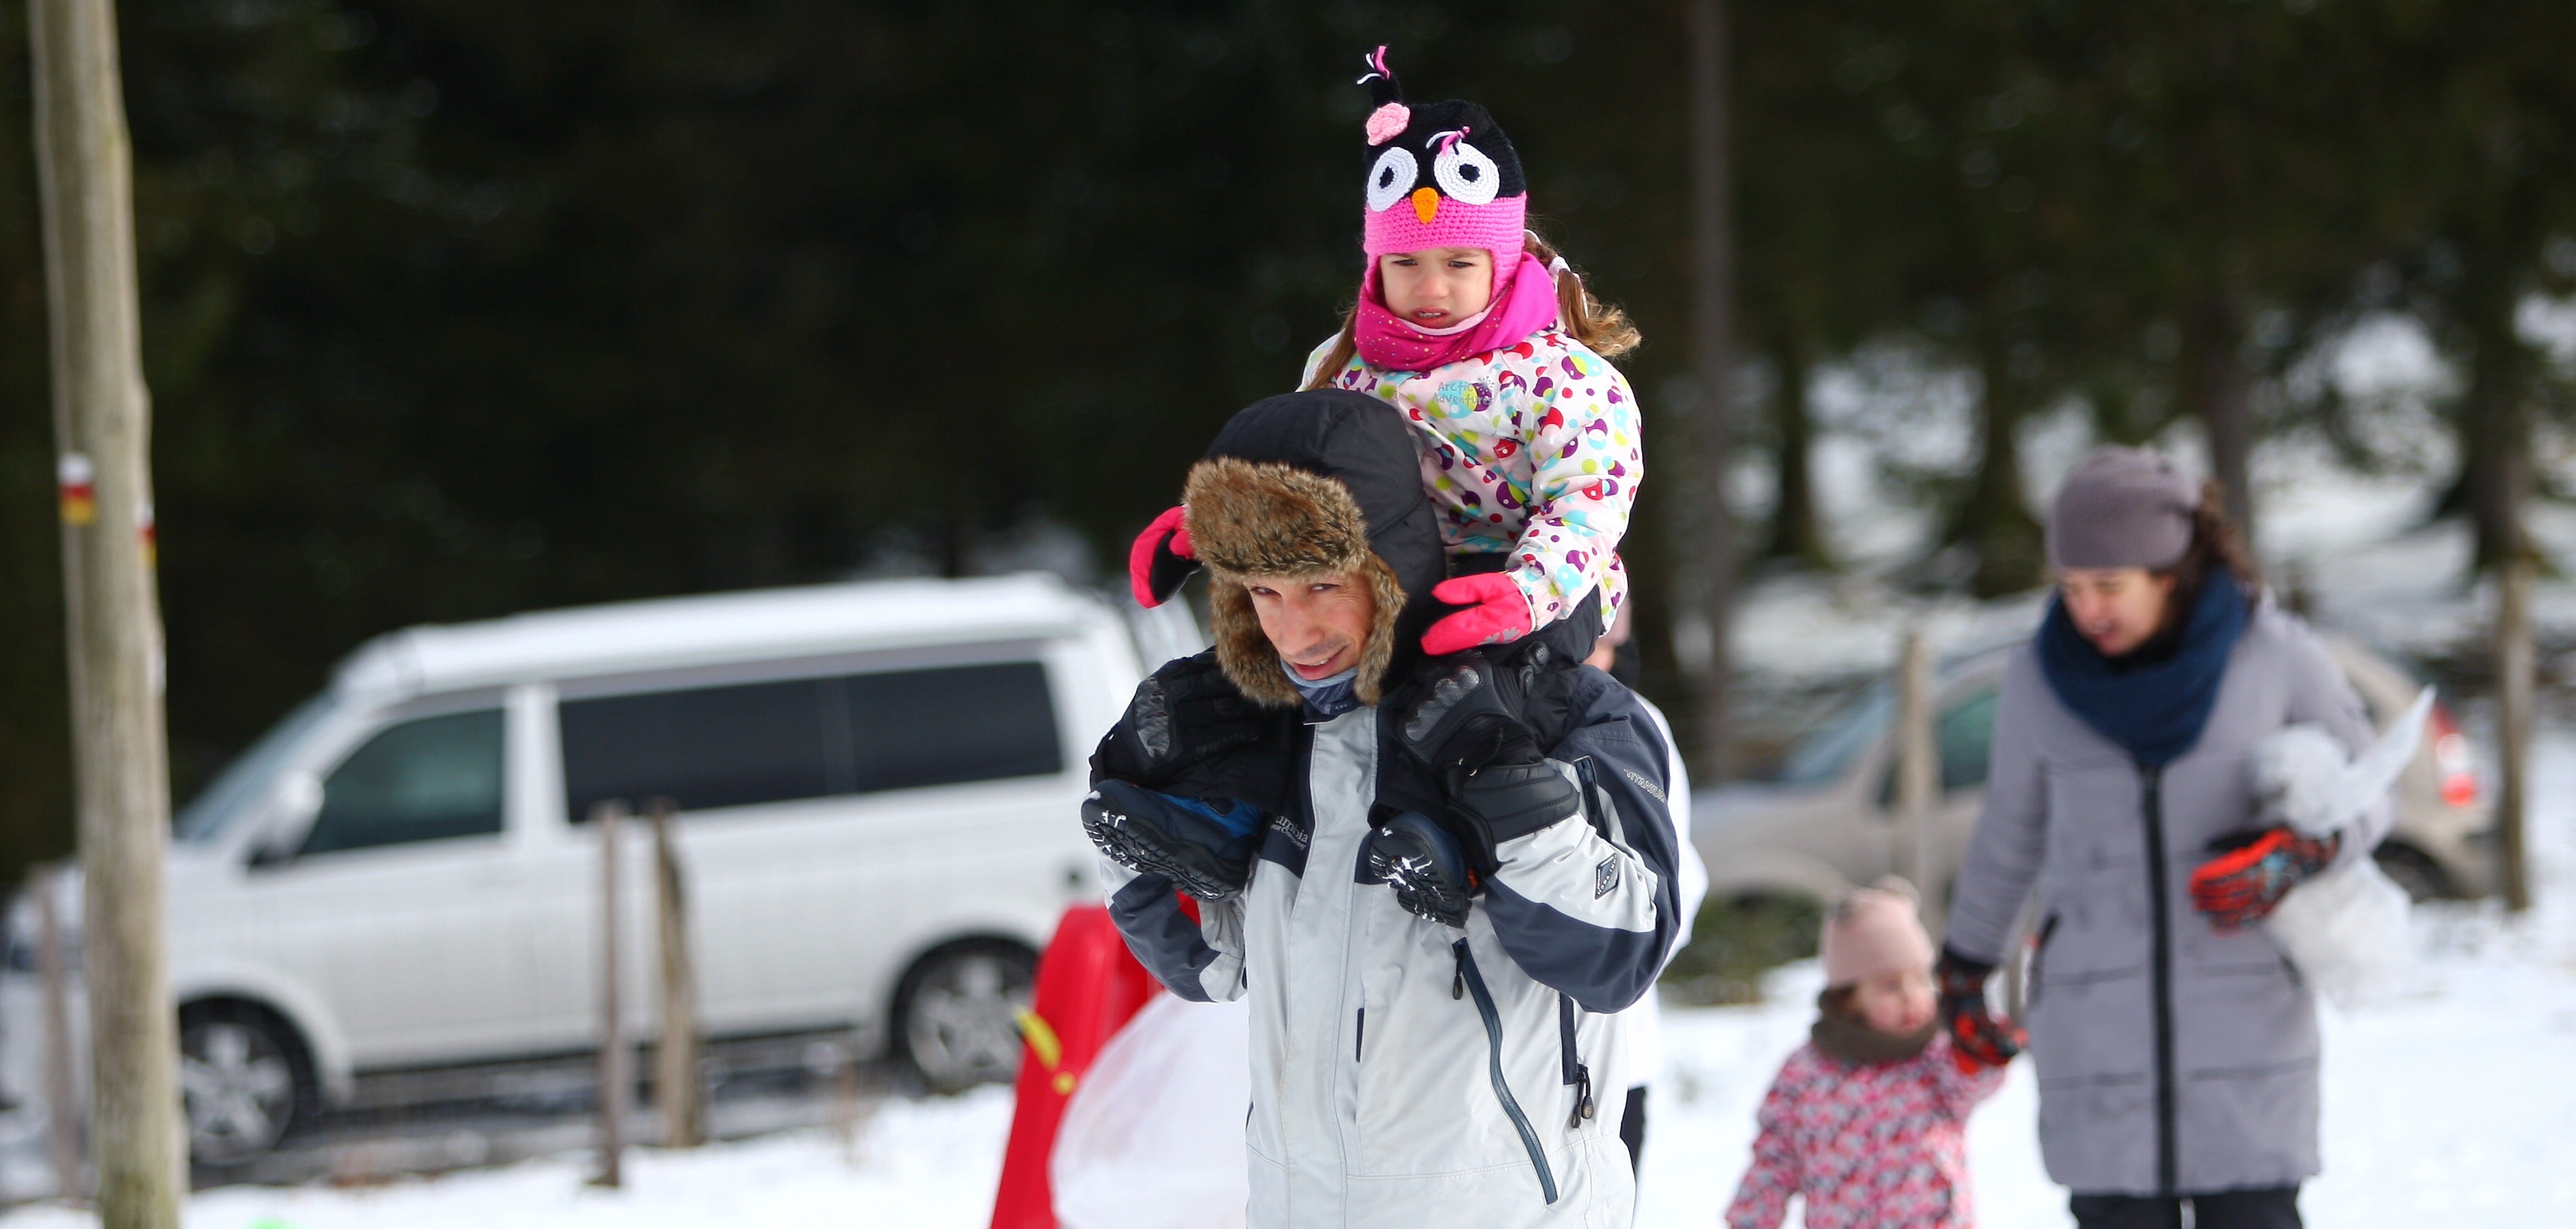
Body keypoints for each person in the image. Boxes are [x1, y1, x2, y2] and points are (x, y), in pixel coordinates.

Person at [1083, 388, 1683, 1228]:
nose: (1296, 634)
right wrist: (1140, 808)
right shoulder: (1274, 735)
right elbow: (1210, 967)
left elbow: (1619, 953)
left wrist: (1512, 793)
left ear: (1392, 564)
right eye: (1263, 593)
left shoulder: (1566, 713)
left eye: (1322, 585)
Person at [1938, 448, 2388, 1229]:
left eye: (2109, 587)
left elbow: (2371, 789)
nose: (2087, 611)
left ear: (2169, 574)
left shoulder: (2273, 654)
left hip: (2245, 1022)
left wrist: (2301, 852)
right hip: (2096, 1033)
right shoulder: (2039, 681)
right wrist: (1965, 967)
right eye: (2071, 589)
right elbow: (2007, 835)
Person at [1131, 45, 1643, 669]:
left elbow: (1588, 501)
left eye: (1459, 264)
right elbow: (1302, 464)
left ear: (1501, 263)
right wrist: (1215, 519)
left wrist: (1526, 591)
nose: (1431, 289)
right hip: (1384, 577)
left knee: (1505, 679)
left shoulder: (1564, 377)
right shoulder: (1345, 362)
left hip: (1531, 584)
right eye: (1406, 264)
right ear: (1377, 264)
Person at [1723, 879, 2007, 1228]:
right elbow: (1774, 1158)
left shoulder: (1936, 1058)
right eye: (1890, 986)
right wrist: (1751, 1220)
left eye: (1919, 979)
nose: (1910, 996)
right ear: (1848, 998)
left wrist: (1983, 1051)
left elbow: (1974, 1084)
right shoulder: (1807, 1072)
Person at [1584, 609, 1708, 1179]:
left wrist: (1619, 963)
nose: (1592, 660)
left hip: (1618, 1051)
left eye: (1608, 645)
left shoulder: (1637, 727)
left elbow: (1676, 887)